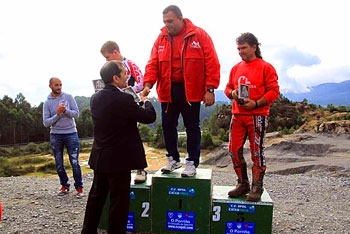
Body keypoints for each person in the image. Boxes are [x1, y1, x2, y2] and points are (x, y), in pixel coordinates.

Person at [141, 5, 220, 177]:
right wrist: (148, 84)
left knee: (192, 127)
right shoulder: (161, 38)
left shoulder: (199, 35)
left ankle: (191, 162)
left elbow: (212, 63)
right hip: (167, 90)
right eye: (164, 22)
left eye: (170, 21)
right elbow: (152, 63)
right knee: (168, 126)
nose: (167, 25)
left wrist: (210, 89)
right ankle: (173, 159)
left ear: (180, 18)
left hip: (191, 90)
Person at [81, 60, 156, 233]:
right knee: (119, 202)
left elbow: (121, 113)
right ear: (116, 78)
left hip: (100, 158)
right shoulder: (123, 99)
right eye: (124, 73)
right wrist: (146, 101)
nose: (127, 76)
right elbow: (148, 117)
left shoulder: (95, 98)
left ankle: (87, 230)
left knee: (96, 198)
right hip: (119, 161)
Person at [224, 32, 279, 202]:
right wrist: (233, 93)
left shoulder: (266, 67)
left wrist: (256, 103)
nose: (240, 51)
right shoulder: (235, 68)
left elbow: (274, 91)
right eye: (238, 48)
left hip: (258, 116)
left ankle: (257, 186)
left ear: (254, 47)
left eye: (244, 48)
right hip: (238, 115)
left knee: (257, 151)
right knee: (233, 150)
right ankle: (243, 183)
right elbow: (227, 89)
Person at [100, 40, 147, 183]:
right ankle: (116, 165)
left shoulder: (131, 65)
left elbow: (141, 82)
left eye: (107, 57)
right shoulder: (109, 67)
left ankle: (141, 168)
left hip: (129, 104)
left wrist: (127, 90)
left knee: (133, 135)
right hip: (113, 104)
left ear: (115, 52)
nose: (106, 60)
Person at [43, 77, 83, 198]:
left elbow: (76, 114)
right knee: (59, 163)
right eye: (56, 85)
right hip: (55, 135)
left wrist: (65, 111)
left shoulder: (69, 97)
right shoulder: (47, 102)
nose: (59, 87)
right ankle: (65, 185)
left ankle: (79, 187)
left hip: (71, 133)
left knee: (75, 162)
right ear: (50, 86)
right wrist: (58, 114)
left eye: (60, 85)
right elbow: (46, 123)